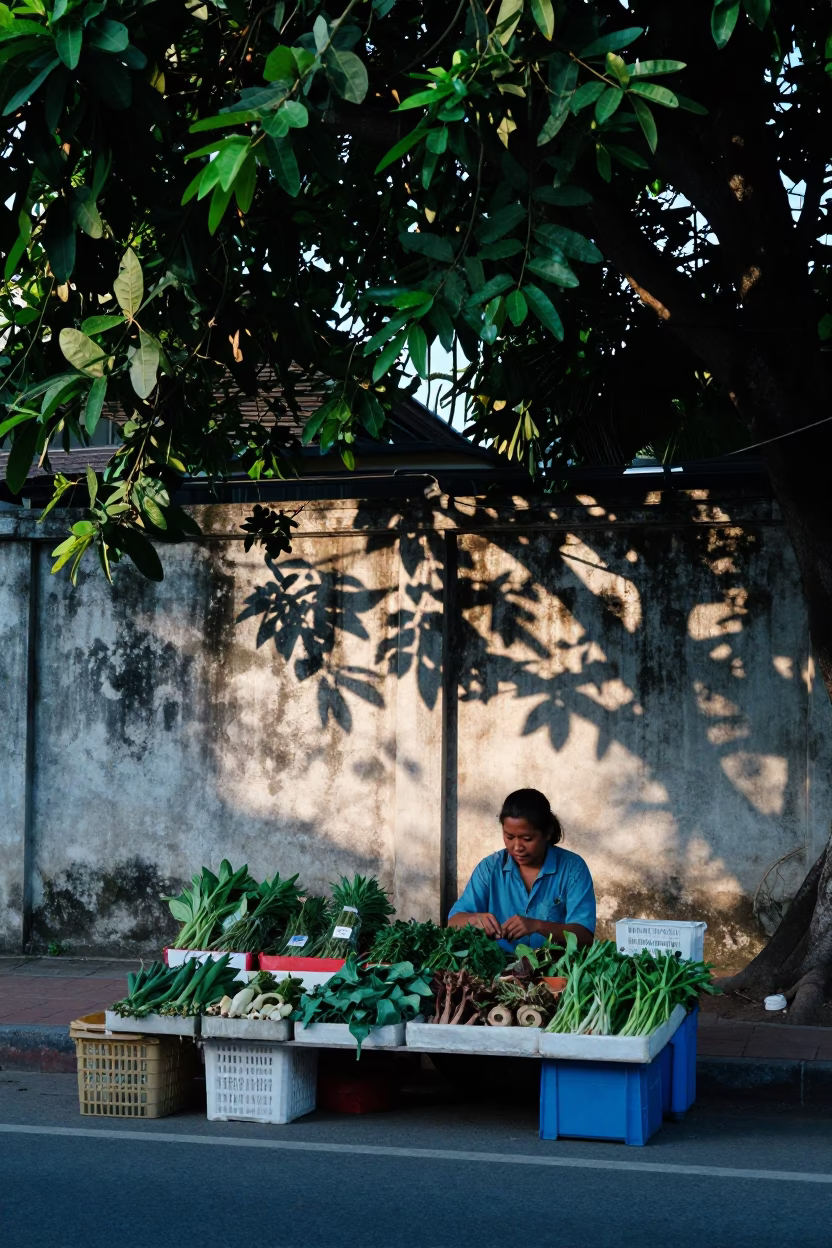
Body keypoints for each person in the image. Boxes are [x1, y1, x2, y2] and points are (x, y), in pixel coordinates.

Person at [448, 788, 595, 953]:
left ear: (547, 833)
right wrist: (475, 919)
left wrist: (538, 926)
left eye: (527, 839)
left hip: (556, 971)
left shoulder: (572, 868)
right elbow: (453, 921)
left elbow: (585, 937)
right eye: (509, 837)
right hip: (499, 970)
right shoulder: (490, 868)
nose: (517, 847)